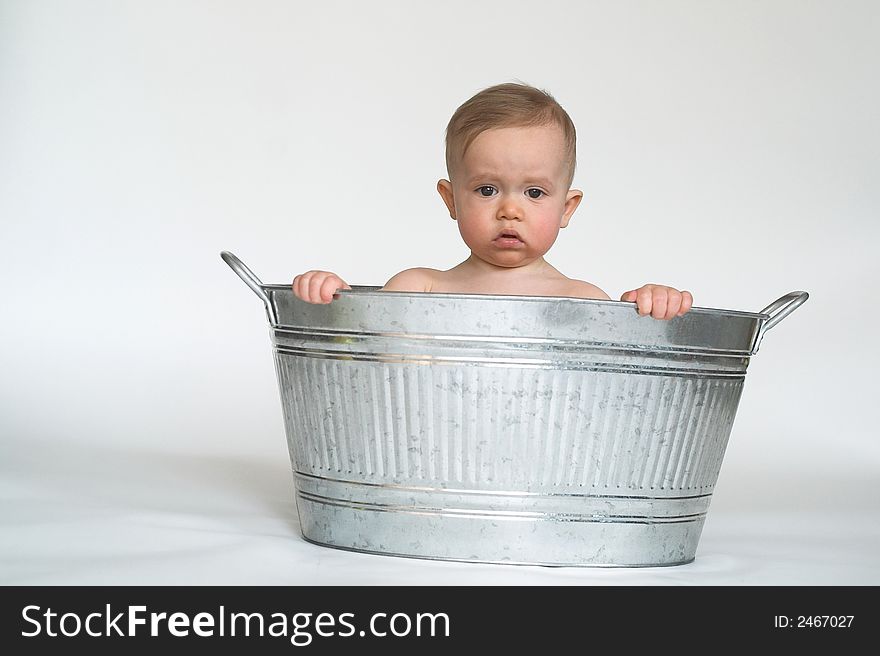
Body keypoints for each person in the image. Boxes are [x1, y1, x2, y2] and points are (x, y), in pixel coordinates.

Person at [292, 82, 693, 320]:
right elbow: (365, 354)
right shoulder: (419, 289)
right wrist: (333, 299)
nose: (510, 210)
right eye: (487, 190)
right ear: (451, 201)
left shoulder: (583, 301)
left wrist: (650, 309)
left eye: (534, 193)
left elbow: (619, 385)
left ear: (566, 209)